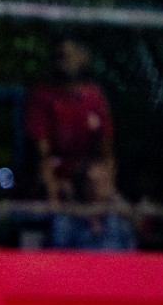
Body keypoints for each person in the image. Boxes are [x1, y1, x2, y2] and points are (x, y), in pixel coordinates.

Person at [24, 36, 114, 202]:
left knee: (128, 217)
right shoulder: (41, 95)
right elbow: (42, 156)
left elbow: (106, 153)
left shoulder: (94, 96)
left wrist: (105, 189)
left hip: (90, 179)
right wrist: (55, 198)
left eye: (71, 56)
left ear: (83, 58)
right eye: (61, 56)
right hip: (55, 178)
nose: (66, 62)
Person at [49, 158, 135, 251]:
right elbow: (59, 255)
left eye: (107, 180)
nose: (108, 186)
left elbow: (132, 252)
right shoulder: (66, 221)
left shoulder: (119, 221)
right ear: (84, 186)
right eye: (100, 181)